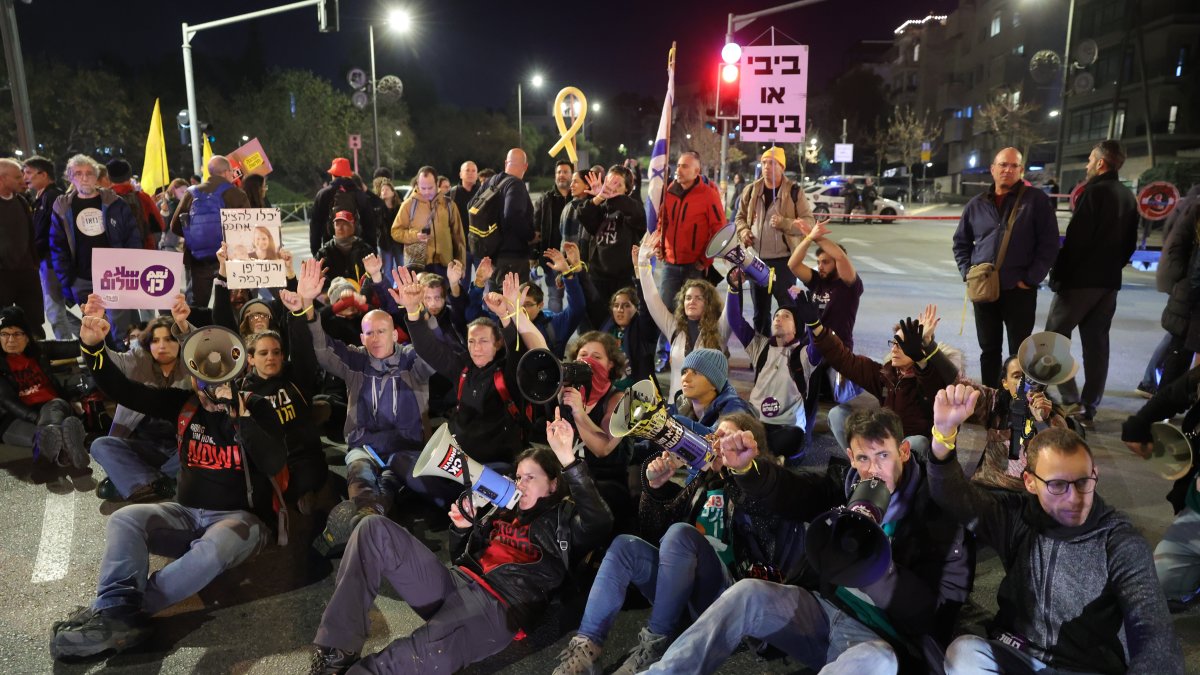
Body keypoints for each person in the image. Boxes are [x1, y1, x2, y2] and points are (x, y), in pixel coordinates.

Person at [645, 406, 973, 674]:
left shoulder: (938, 517)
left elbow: (935, 616)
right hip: (825, 611)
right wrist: (749, 470)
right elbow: (792, 492)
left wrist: (874, 567)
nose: (872, 470)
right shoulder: (842, 487)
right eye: (863, 458)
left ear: (903, 452)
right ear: (850, 456)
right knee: (748, 593)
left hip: (883, 641)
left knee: (877, 662)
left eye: (883, 455)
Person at [49, 310, 286, 660]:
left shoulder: (258, 407)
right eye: (201, 378)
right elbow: (124, 390)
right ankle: (116, 610)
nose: (209, 387)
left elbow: (274, 462)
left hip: (241, 521)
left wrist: (241, 417)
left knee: (214, 549)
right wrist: (93, 347)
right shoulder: (183, 404)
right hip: (187, 513)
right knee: (125, 519)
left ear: (236, 374)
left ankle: (115, 612)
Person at [308, 409, 613, 674]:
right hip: (456, 583)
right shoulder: (501, 510)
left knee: (415, 655)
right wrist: (462, 528)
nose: (521, 484)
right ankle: (335, 651)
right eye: (519, 477)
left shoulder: (563, 520)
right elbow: (459, 558)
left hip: (498, 607)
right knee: (373, 528)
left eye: (531, 477)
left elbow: (600, 521)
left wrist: (567, 458)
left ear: (554, 484)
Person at [930, 385, 1185, 674]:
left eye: (1083, 482)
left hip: (1083, 667)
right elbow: (952, 494)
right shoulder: (1016, 517)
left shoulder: (1120, 541)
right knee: (963, 653)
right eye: (1057, 485)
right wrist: (944, 433)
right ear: (1029, 482)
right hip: (1020, 652)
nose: (1074, 498)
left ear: (1095, 474)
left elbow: (1155, 635)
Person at [555, 412, 807, 675]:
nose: (716, 443)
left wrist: (738, 472)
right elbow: (655, 533)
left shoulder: (763, 488)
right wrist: (655, 489)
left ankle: (656, 647)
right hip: (685, 590)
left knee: (681, 533)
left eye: (726, 438)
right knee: (625, 546)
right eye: (715, 436)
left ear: (748, 447)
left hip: (731, 596)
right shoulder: (703, 481)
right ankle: (587, 647)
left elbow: (762, 518)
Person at [290, 259, 434, 522]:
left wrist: (417, 311)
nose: (375, 338)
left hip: (405, 450)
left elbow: (435, 350)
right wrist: (308, 305)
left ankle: (369, 515)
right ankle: (367, 515)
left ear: (395, 335)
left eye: (381, 331)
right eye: (369, 333)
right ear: (361, 338)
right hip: (364, 448)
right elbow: (322, 348)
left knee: (392, 480)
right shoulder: (355, 360)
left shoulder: (412, 360)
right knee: (360, 475)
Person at [1045, 140, 1138, 422]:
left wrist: (1058, 276)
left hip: (1080, 281)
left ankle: (1071, 400)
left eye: (1089, 160)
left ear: (1100, 163)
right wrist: (1111, 268)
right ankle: (1090, 404)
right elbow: (1130, 244)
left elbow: (1077, 241)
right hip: (1108, 283)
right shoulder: (1127, 196)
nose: (1086, 165)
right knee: (1097, 345)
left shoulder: (1094, 193)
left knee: (1052, 340)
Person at [953, 147, 1059, 387]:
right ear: (993, 169)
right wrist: (967, 273)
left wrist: (1030, 279)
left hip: (1019, 291)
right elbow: (960, 243)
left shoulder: (1036, 201)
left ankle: (1016, 400)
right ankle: (992, 397)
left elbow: (1049, 244)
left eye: (1014, 166)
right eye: (1003, 165)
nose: (1007, 170)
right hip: (983, 291)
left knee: (1019, 353)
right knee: (988, 350)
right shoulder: (976, 204)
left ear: (1021, 170)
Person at [797, 298, 956, 457]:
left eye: (901, 345)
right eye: (893, 343)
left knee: (917, 442)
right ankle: (862, 463)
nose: (894, 349)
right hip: (886, 441)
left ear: (918, 349)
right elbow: (844, 359)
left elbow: (931, 382)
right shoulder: (886, 374)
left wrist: (923, 354)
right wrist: (815, 326)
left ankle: (904, 471)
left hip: (912, 453)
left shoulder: (933, 377)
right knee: (837, 414)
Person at [86, 303, 191, 503]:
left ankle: (138, 482)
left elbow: (200, 347)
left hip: (181, 450)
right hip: (147, 448)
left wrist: (184, 326)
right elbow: (107, 367)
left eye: (169, 339)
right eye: (155, 340)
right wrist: (94, 342)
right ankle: (159, 483)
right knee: (100, 445)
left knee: (198, 449)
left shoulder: (191, 368)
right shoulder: (137, 360)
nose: (162, 346)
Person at [787, 222, 867, 443]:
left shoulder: (850, 285)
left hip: (837, 349)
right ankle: (802, 431)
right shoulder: (817, 282)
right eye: (819, 262)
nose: (820, 266)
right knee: (805, 392)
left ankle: (843, 433)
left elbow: (840, 256)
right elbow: (793, 264)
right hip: (813, 347)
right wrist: (808, 238)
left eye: (825, 262)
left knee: (838, 397)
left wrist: (817, 237)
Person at [50, 155, 141, 345]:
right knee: (93, 329)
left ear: (97, 176)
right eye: (78, 173)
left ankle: (121, 360)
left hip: (115, 277)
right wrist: (68, 280)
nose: (84, 178)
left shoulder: (115, 202)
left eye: (89, 173)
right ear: (70, 177)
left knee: (120, 329)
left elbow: (132, 237)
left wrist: (130, 270)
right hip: (81, 277)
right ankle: (98, 362)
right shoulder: (63, 207)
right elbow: (57, 245)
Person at [725, 272, 807, 459]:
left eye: (786, 316)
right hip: (756, 421)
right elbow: (735, 320)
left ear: (797, 327)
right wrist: (733, 287)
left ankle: (755, 452)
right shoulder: (760, 346)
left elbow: (819, 339)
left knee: (792, 439)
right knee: (730, 419)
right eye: (776, 315)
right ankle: (764, 454)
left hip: (786, 426)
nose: (778, 318)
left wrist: (806, 308)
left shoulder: (804, 353)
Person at [637, 230, 727, 401]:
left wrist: (733, 279)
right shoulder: (674, 327)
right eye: (688, 298)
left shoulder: (720, 329)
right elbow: (652, 299)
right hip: (676, 408)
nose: (692, 301)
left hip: (708, 411)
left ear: (708, 303)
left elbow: (732, 311)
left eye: (699, 298)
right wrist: (643, 263)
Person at [735, 148, 815, 334]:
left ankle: (791, 348)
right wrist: (744, 231)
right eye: (764, 163)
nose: (766, 166)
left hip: (784, 263)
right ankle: (763, 349)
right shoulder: (751, 190)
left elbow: (809, 223)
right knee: (760, 313)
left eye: (772, 163)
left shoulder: (794, 192)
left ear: (782, 167)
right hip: (756, 261)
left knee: (788, 310)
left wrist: (785, 223)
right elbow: (739, 218)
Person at [0, 305, 86, 467]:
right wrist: (38, 420)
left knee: (53, 416)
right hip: (13, 419)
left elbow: (78, 346)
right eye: (4, 334)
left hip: (52, 408)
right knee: (44, 437)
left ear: (27, 337)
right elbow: (7, 401)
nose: (10, 340)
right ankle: (66, 453)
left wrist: (93, 328)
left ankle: (48, 453)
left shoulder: (40, 349)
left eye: (17, 333)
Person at [969, 355, 1070, 492]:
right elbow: (958, 381)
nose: (1024, 383)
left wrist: (1042, 421)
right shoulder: (994, 402)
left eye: (1029, 377)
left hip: (1030, 494)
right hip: (990, 488)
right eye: (1017, 376)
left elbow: (1060, 461)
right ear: (1005, 383)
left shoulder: (1053, 417)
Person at [168, 155, 251, 307]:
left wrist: (195, 238)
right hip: (230, 258)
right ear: (226, 172)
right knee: (234, 303)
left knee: (198, 305)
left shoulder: (191, 193)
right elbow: (247, 229)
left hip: (198, 259)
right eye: (231, 171)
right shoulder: (237, 194)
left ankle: (199, 323)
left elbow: (175, 226)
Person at [654, 151, 726, 324]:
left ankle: (692, 342)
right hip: (670, 264)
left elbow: (719, 230)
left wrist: (705, 260)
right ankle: (667, 343)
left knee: (694, 315)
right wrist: (659, 246)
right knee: (666, 313)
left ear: (696, 171)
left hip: (695, 266)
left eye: (684, 166)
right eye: (678, 165)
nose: (678, 170)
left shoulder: (709, 195)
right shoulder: (671, 191)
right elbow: (662, 222)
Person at [1147, 183, 1200, 395]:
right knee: (1179, 348)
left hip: (1187, 289)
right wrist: (1183, 279)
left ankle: (1156, 389)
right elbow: (1176, 245)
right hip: (1190, 293)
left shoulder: (1189, 204)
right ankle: (1155, 390)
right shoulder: (1194, 208)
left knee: (1178, 345)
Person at [24, 156, 77, 340]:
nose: (25, 177)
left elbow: (50, 233)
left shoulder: (53, 197)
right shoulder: (40, 197)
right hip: (46, 261)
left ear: (43, 174)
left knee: (55, 310)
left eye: (29, 172)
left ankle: (67, 349)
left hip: (53, 261)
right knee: (56, 309)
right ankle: (81, 340)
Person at [578, 165, 646, 306]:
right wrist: (599, 197)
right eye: (609, 184)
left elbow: (634, 212)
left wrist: (609, 197)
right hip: (597, 277)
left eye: (618, 185)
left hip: (623, 279)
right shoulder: (602, 208)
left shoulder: (633, 206)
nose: (612, 188)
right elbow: (583, 215)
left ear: (627, 189)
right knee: (597, 316)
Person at [390, 166, 466, 277]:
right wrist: (415, 236)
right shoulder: (408, 204)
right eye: (423, 188)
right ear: (417, 184)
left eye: (430, 188)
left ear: (437, 184)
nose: (426, 192)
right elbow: (395, 232)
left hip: (445, 265)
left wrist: (461, 265)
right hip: (419, 266)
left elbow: (459, 238)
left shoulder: (449, 205)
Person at [0, 157, 44, 338]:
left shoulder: (22, 202)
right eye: (17, 177)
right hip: (3, 275)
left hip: (27, 273)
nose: (23, 180)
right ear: (2, 179)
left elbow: (31, 235)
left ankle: (37, 354)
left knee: (34, 324)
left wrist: (34, 264)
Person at [479, 149, 536, 284]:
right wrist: (530, 235)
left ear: (506, 163)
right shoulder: (516, 184)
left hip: (491, 257)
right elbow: (512, 215)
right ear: (525, 166)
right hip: (512, 257)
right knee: (514, 296)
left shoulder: (490, 182)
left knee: (493, 296)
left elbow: (471, 206)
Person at [310, 157, 378, 258]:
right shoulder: (360, 195)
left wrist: (316, 252)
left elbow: (315, 225)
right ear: (348, 175)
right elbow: (370, 226)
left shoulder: (323, 195)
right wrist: (372, 252)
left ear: (333, 174)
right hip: (358, 249)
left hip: (330, 250)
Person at [536, 160, 574, 312]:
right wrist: (535, 256)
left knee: (576, 297)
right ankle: (555, 327)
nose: (561, 175)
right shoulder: (545, 199)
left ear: (572, 175)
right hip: (552, 258)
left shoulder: (579, 198)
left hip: (574, 259)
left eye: (565, 172)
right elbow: (536, 228)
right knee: (554, 297)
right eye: (559, 172)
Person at [106, 158, 164, 250]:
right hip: (142, 250)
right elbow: (160, 225)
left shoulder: (103, 199)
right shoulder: (142, 197)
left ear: (109, 178)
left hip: (111, 253)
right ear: (129, 177)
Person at [316, 211, 375, 291]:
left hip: (362, 294)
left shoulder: (366, 250)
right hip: (333, 295)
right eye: (337, 224)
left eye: (344, 224)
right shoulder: (323, 253)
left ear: (353, 226)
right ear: (333, 227)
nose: (340, 228)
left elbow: (375, 279)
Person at [373, 177, 403, 274]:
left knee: (402, 267)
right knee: (387, 270)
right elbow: (377, 226)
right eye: (382, 190)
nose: (384, 191)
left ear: (393, 192)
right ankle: (388, 284)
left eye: (387, 189)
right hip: (384, 243)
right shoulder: (377, 209)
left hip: (398, 242)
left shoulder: (400, 208)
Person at [446, 160, 480, 227]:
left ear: (477, 175)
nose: (470, 173)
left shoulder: (484, 193)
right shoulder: (451, 195)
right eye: (467, 170)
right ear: (460, 174)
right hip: (457, 232)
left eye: (473, 171)